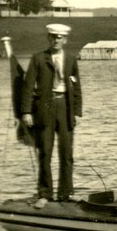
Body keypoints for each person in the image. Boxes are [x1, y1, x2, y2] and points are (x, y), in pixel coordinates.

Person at [20, 23, 82, 208]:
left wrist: (77, 111)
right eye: (53, 37)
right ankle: (45, 194)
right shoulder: (38, 58)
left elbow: (76, 88)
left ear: (65, 40)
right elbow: (28, 86)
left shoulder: (70, 60)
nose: (56, 40)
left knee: (67, 153)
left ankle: (66, 194)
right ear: (49, 38)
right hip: (44, 109)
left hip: (65, 108)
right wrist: (26, 111)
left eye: (60, 38)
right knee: (45, 152)